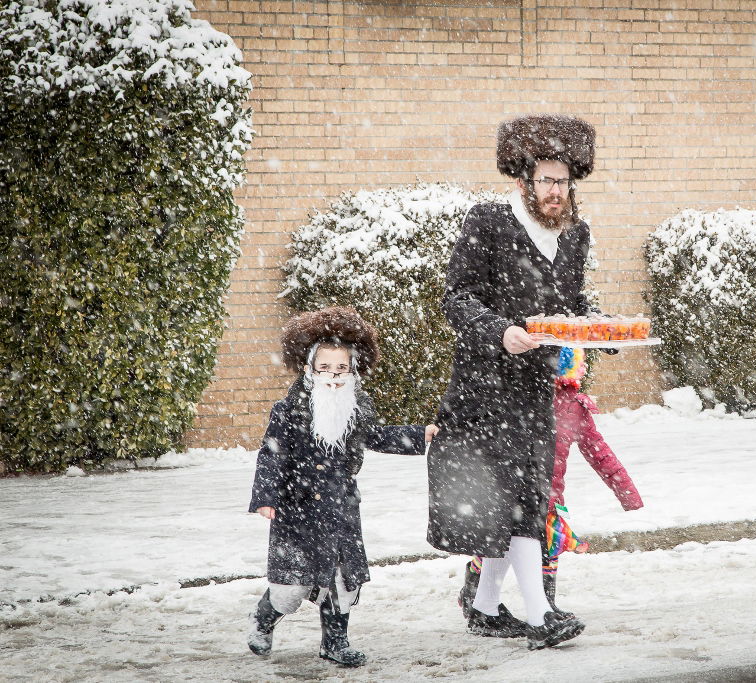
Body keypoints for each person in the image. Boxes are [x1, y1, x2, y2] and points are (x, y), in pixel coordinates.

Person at [427, 114, 604, 650]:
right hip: (484, 386)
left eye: (564, 180)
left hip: (534, 388)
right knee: (519, 499)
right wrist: (499, 331)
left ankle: (483, 607)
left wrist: (597, 327)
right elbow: (455, 298)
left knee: (523, 498)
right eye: (547, 179)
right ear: (523, 180)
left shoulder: (575, 235)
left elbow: (568, 307)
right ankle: (540, 613)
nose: (557, 190)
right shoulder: (489, 221)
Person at [246, 306, 438, 667]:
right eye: (325, 368)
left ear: (351, 371)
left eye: (341, 369)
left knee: (342, 580)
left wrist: (419, 434)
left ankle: (335, 642)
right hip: (296, 508)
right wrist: (266, 496)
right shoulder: (288, 410)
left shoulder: (357, 406)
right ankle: (263, 619)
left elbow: (377, 435)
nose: (333, 376)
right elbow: (270, 454)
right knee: (292, 586)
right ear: (308, 369)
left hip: (340, 507)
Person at [457, 346, 644, 618]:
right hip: (514, 490)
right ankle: (475, 592)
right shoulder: (517, 401)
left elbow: (599, 452)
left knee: (548, 545)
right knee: (498, 545)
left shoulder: (573, 408)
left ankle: (546, 606)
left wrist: (626, 491)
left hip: (548, 496)